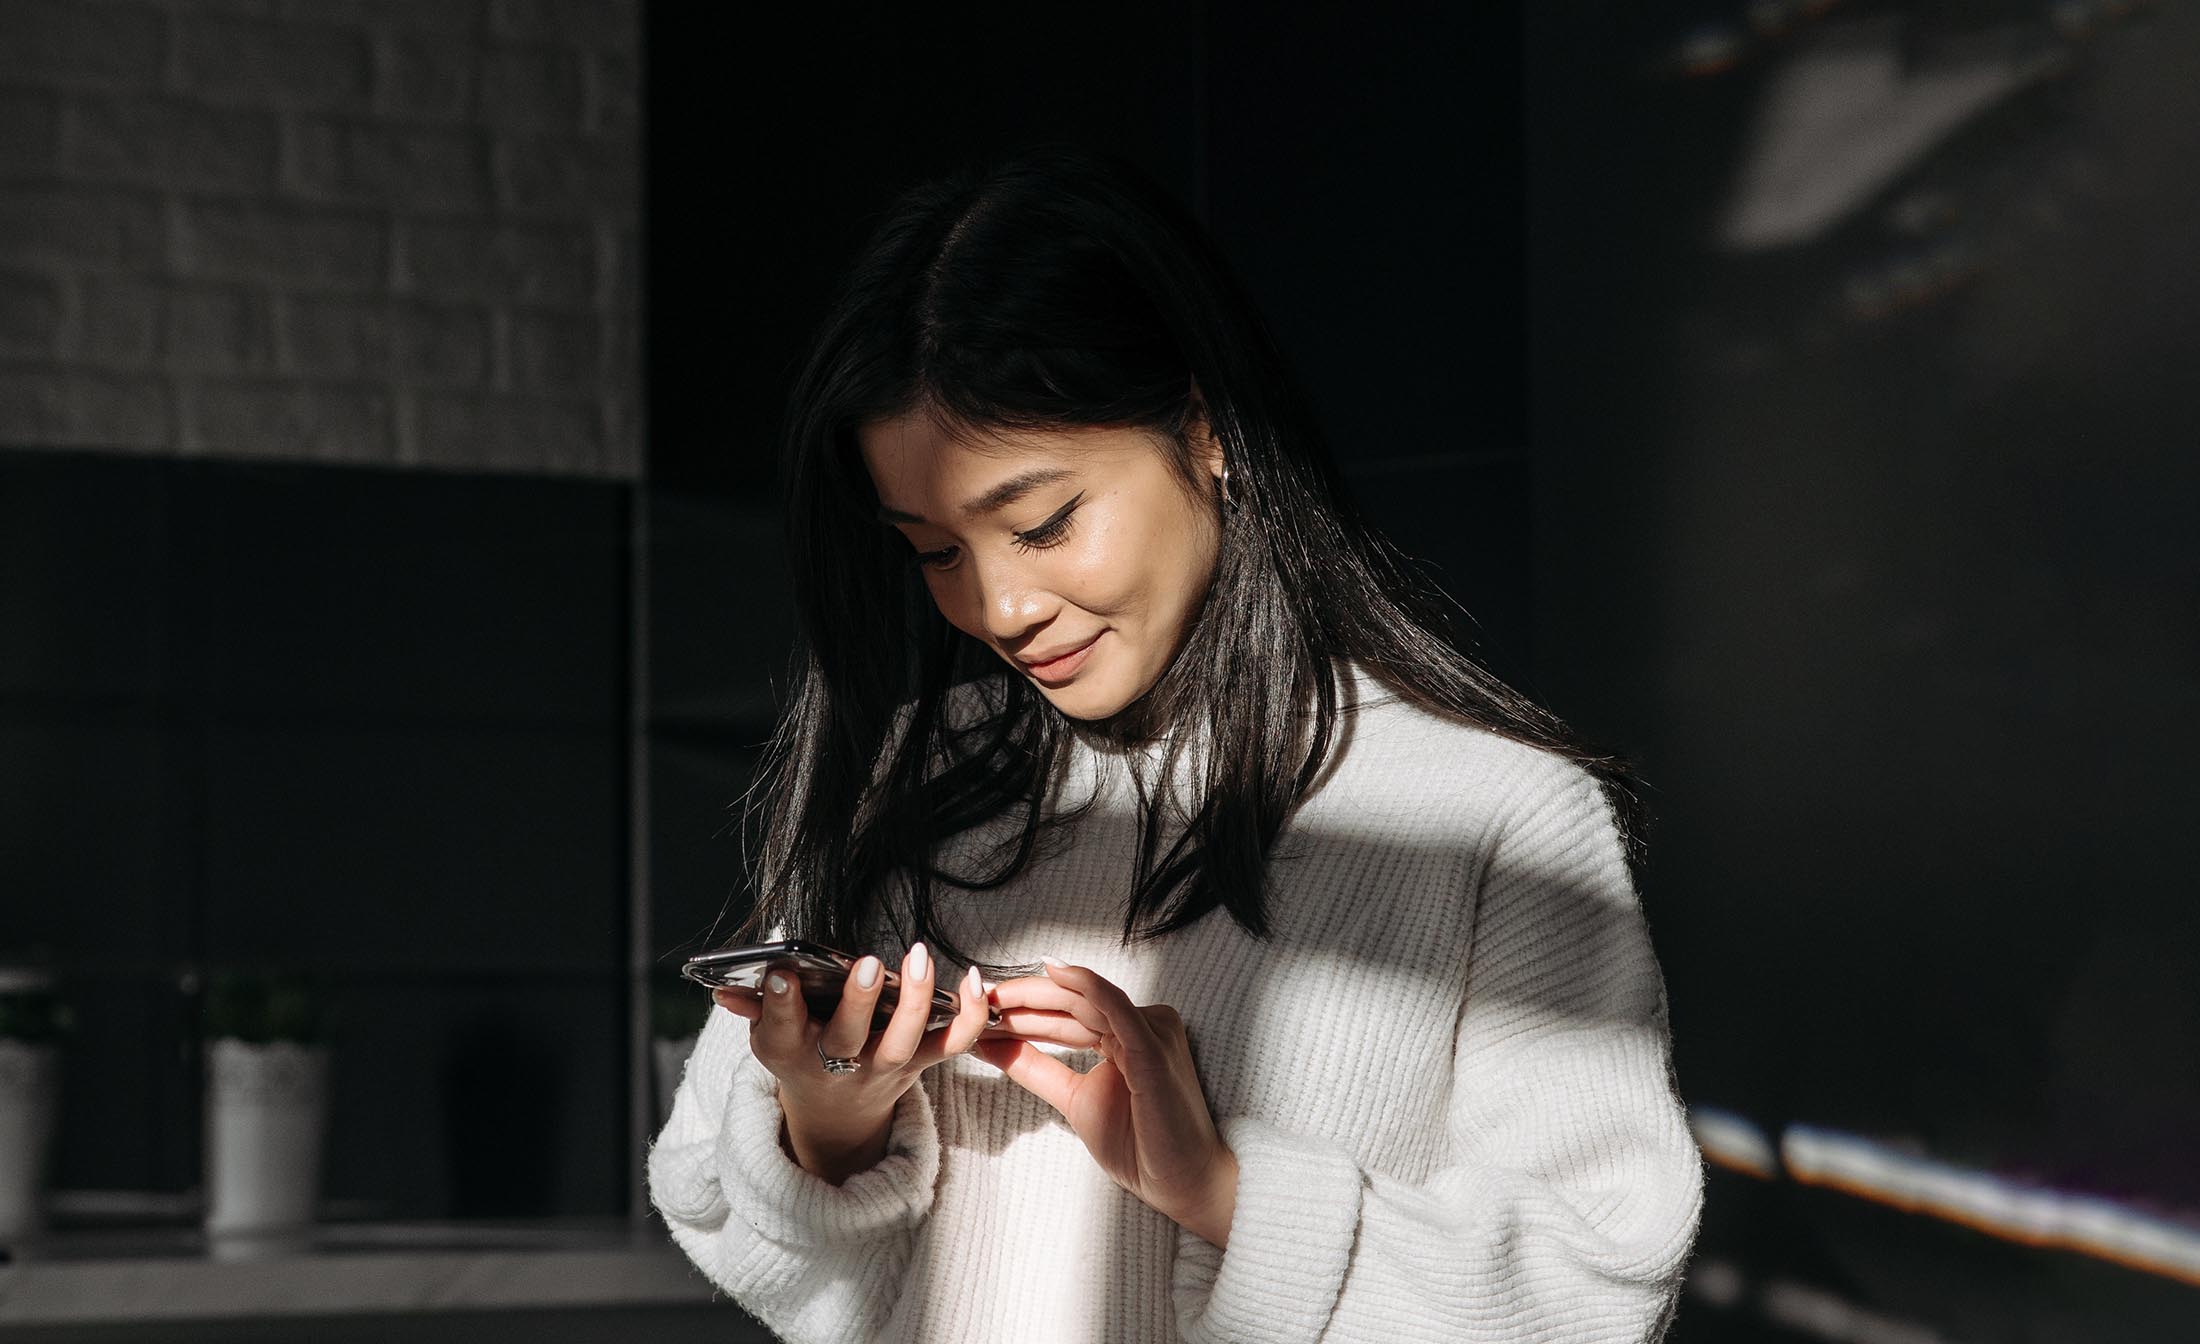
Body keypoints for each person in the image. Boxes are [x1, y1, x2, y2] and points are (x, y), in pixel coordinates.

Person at [647, 144, 1704, 1343]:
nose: (997, 608)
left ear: (1204, 430)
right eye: (934, 552)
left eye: (1042, 524)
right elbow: (724, 1216)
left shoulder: (1496, 813)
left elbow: (1595, 1292)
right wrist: (831, 1124)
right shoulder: (920, 776)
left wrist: (1218, 1188)